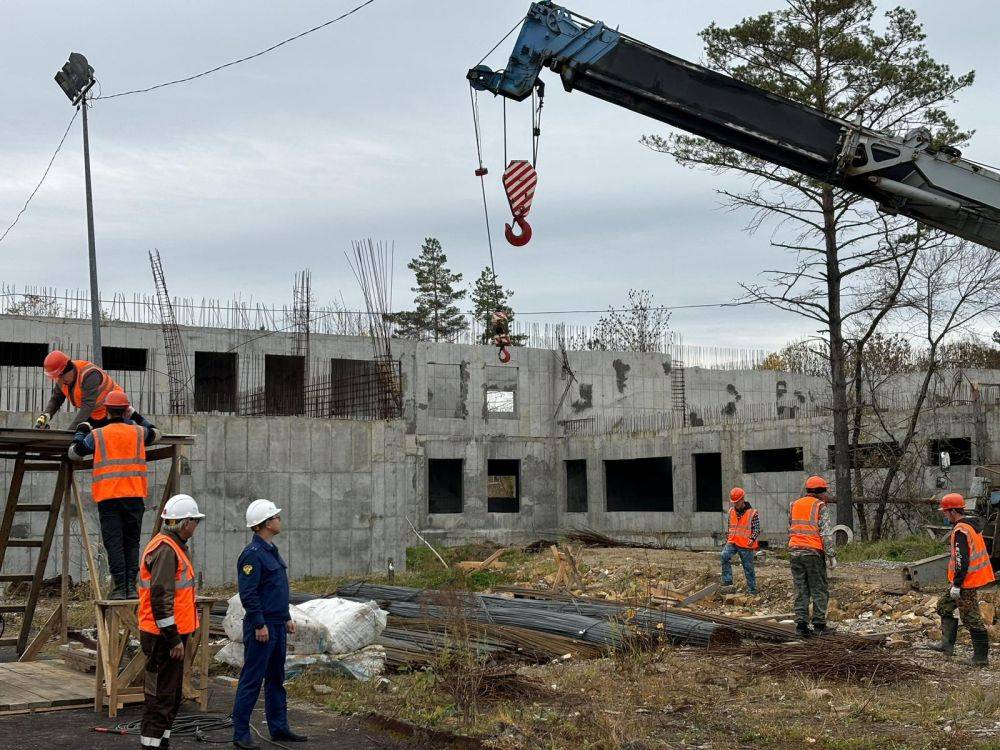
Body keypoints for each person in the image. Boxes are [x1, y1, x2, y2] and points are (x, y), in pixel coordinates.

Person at [68, 390, 160, 600]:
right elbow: (156, 432)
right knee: (132, 541)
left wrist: (81, 430)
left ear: (107, 411)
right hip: (134, 497)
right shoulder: (138, 432)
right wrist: (135, 416)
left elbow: (74, 453)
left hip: (109, 499)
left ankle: (119, 587)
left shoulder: (98, 435)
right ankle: (130, 586)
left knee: (114, 542)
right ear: (125, 411)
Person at [232, 499, 307, 748]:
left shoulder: (271, 551)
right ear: (265, 524)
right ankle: (241, 733)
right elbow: (249, 594)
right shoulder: (252, 555)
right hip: (262, 628)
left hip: (276, 624)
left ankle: (279, 727)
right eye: (275, 517)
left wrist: (285, 617)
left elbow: (275, 590)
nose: (279, 520)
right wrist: (258, 624)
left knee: (276, 678)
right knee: (252, 679)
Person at [137, 494, 205, 750]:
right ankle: (151, 745)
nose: (196, 526)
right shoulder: (166, 549)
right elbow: (160, 598)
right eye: (195, 521)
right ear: (185, 523)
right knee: (160, 696)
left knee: (171, 695)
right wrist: (173, 638)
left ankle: (161, 742)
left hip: (169, 634)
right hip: (163, 637)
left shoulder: (170, 546)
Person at [929, 493, 994, 666]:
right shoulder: (970, 526)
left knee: (971, 618)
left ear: (952, 511)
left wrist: (957, 584)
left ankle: (980, 659)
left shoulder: (961, 530)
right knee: (944, 606)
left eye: (945, 511)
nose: (944, 514)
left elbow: (961, 559)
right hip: (964, 580)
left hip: (966, 582)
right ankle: (946, 645)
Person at [788, 475, 838, 637]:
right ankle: (819, 625)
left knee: (801, 588)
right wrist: (831, 555)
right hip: (813, 552)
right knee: (819, 588)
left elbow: (791, 526)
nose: (827, 496)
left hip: (795, 551)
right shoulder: (820, 506)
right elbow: (826, 533)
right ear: (819, 492)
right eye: (825, 492)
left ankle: (801, 626)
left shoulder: (794, 504)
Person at [35, 349, 130, 430]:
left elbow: (88, 405)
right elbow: (56, 399)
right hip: (94, 414)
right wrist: (46, 415)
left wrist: (70, 432)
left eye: (60, 376)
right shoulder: (62, 378)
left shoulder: (89, 375)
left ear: (68, 369)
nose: (59, 380)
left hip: (114, 411)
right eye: (56, 377)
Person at [721, 487, 759, 595]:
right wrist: (728, 536)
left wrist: (752, 539)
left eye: (737, 502)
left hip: (746, 544)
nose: (735, 504)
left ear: (742, 499)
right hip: (732, 541)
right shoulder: (731, 511)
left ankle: (752, 591)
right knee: (724, 555)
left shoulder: (752, 513)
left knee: (748, 568)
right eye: (734, 502)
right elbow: (730, 526)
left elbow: (756, 528)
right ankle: (728, 582)